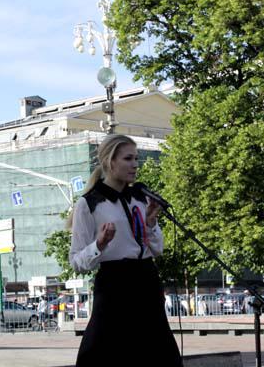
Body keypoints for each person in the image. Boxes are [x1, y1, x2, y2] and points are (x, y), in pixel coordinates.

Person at [69, 134, 182, 367]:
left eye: (136, 158)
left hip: (146, 279)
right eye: (128, 159)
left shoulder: (141, 198)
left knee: (155, 351)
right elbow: (76, 261)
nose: (135, 165)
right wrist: (99, 245)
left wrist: (150, 223)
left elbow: (157, 249)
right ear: (110, 162)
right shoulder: (89, 203)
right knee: (108, 352)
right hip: (115, 284)